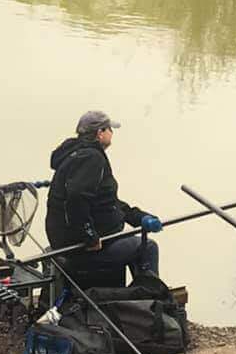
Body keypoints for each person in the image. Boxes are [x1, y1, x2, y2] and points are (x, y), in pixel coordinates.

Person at [45, 111, 162, 282]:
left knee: (131, 240)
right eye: (110, 130)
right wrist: (89, 236)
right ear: (100, 133)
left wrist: (139, 218)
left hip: (69, 239)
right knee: (148, 247)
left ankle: (136, 296)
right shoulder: (92, 157)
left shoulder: (75, 153)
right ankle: (150, 300)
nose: (112, 134)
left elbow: (107, 202)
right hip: (79, 247)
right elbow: (76, 197)